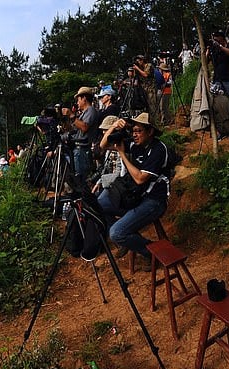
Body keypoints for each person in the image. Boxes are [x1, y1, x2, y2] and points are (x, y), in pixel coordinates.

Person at [97, 113, 170, 271]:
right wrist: (114, 126)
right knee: (98, 206)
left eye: (138, 131)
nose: (134, 135)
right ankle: (128, 237)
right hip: (136, 196)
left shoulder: (158, 149)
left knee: (116, 233)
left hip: (154, 201)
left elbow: (139, 179)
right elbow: (103, 145)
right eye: (133, 131)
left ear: (150, 131)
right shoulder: (135, 144)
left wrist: (122, 154)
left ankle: (151, 252)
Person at [66, 86, 102, 182]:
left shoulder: (91, 110)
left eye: (78, 99)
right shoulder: (84, 113)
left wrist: (71, 115)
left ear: (84, 98)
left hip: (83, 150)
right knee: (77, 177)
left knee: (81, 179)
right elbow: (75, 129)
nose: (77, 103)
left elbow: (84, 127)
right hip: (79, 149)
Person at [130, 55, 158, 121]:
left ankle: (155, 121)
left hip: (151, 89)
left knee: (152, 106)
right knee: (146, 107)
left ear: (142, 60)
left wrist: (137, 69)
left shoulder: (148, 65)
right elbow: (136, 79)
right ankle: (148, 120)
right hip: (143, 90)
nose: (138, 62)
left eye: (139, 60)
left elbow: (145, 74)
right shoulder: (140, 68)